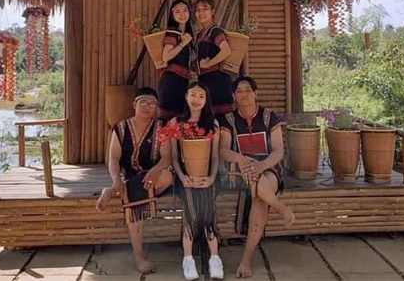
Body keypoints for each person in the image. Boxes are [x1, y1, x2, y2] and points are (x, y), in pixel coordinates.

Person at [218, 76, 295, 279]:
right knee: (256, 185)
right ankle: (281, 208)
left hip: (268, 169)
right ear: (234, 96)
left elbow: (278, 151)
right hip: (240, 171)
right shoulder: (228, 120)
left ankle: (246, 259)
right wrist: (241, 159)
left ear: (256, 93)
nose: (244, 94)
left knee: (260, 195)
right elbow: (223, 150)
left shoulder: (269, 117)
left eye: (248, 90)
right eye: (239, 91)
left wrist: (262, 165)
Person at [95, 87, 174, 274]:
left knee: (167, 176)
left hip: (156, 176)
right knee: (135, 195)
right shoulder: (121, 128)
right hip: (131, 177)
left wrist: (155, 171)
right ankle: (139, 256)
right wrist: (116, 180)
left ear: (156, 108)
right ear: (134, 105)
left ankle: (111, 192)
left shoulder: (162, 127)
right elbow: (113, 158)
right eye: (143, 102)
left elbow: (167, 157)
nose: (147, 107)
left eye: (152, 104)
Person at [166, 82, 223, 281]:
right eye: (193, 94)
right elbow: (174, 157)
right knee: (191, 201)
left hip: (207, 176)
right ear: (186, 97)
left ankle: (215, 258)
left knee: (207, 202)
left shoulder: (213, 124)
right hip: (184, 176)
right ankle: (188, 258)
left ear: (206, 100)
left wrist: (211, 178)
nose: (196, 100)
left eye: (201, 96)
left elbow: (215, 157)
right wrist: (183, 177)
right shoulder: (175, 123)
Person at [193, 0, 233, 117]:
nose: (201, 13)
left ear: (213, 11)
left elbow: (226, 51)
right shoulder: (200, 34)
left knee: (221, 119)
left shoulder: (215, 31)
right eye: (198, 9)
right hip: (205, 81)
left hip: (218, 81)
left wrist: (209, 63)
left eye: (205, 9)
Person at [156, 0, 195, 120]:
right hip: (171, 81)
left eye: (185, 10)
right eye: (177, 11)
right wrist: (183, 43)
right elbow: (166, 56)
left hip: (182, 81)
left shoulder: (186, 34)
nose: (182, 14)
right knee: (168, 119)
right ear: (172, 15)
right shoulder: (172, 33)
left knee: (179, 119)